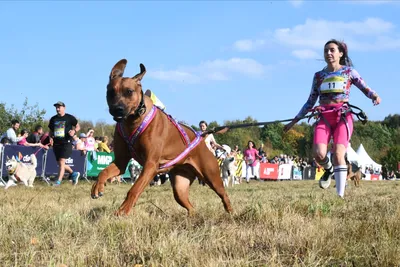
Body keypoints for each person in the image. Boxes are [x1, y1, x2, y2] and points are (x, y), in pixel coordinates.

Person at [284, 39, 381, 198]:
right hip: (324, 117)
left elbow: (365, 88)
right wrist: (294, 121)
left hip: (342, 117)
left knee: (338, 153)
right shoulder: (319, 76)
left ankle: (339, 196)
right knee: (319, 154)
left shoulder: (349, 72)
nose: (328, 53)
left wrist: (374, 96)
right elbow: (310, 101)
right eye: (326, 51)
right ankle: (328, 169)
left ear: (340, 53)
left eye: (332, 50)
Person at [48, 101, 81, 186]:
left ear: (64, 108)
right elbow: (51, 131)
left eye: (59, 107)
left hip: (66, 142)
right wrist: (50, 138)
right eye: (56, 107)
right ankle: (74, 173)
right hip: (57, 143)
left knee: (62, 162)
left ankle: (58, 181)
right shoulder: (53, 119)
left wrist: (74, 131)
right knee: (60, 163)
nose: (57, 109)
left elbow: (78, 126)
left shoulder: (69, 118)